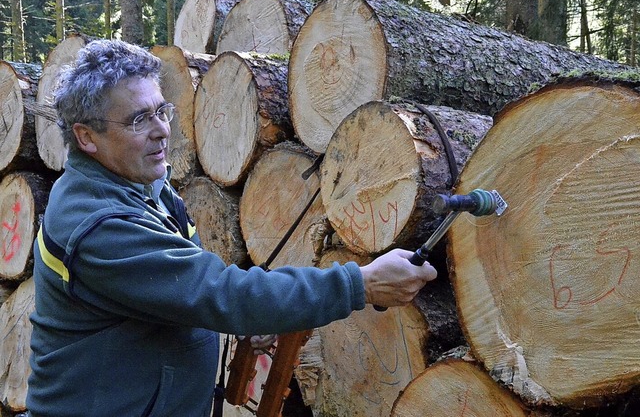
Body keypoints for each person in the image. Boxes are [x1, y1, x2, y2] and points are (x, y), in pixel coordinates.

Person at [27, 39, 437, 416]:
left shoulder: (139, 184)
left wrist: (248, 321)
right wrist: (358, 284)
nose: (162, 130)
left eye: (160, 111)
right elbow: (216, 292)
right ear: (86, 136)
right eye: (138, 120)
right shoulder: (99, 225)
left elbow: (179, 288)